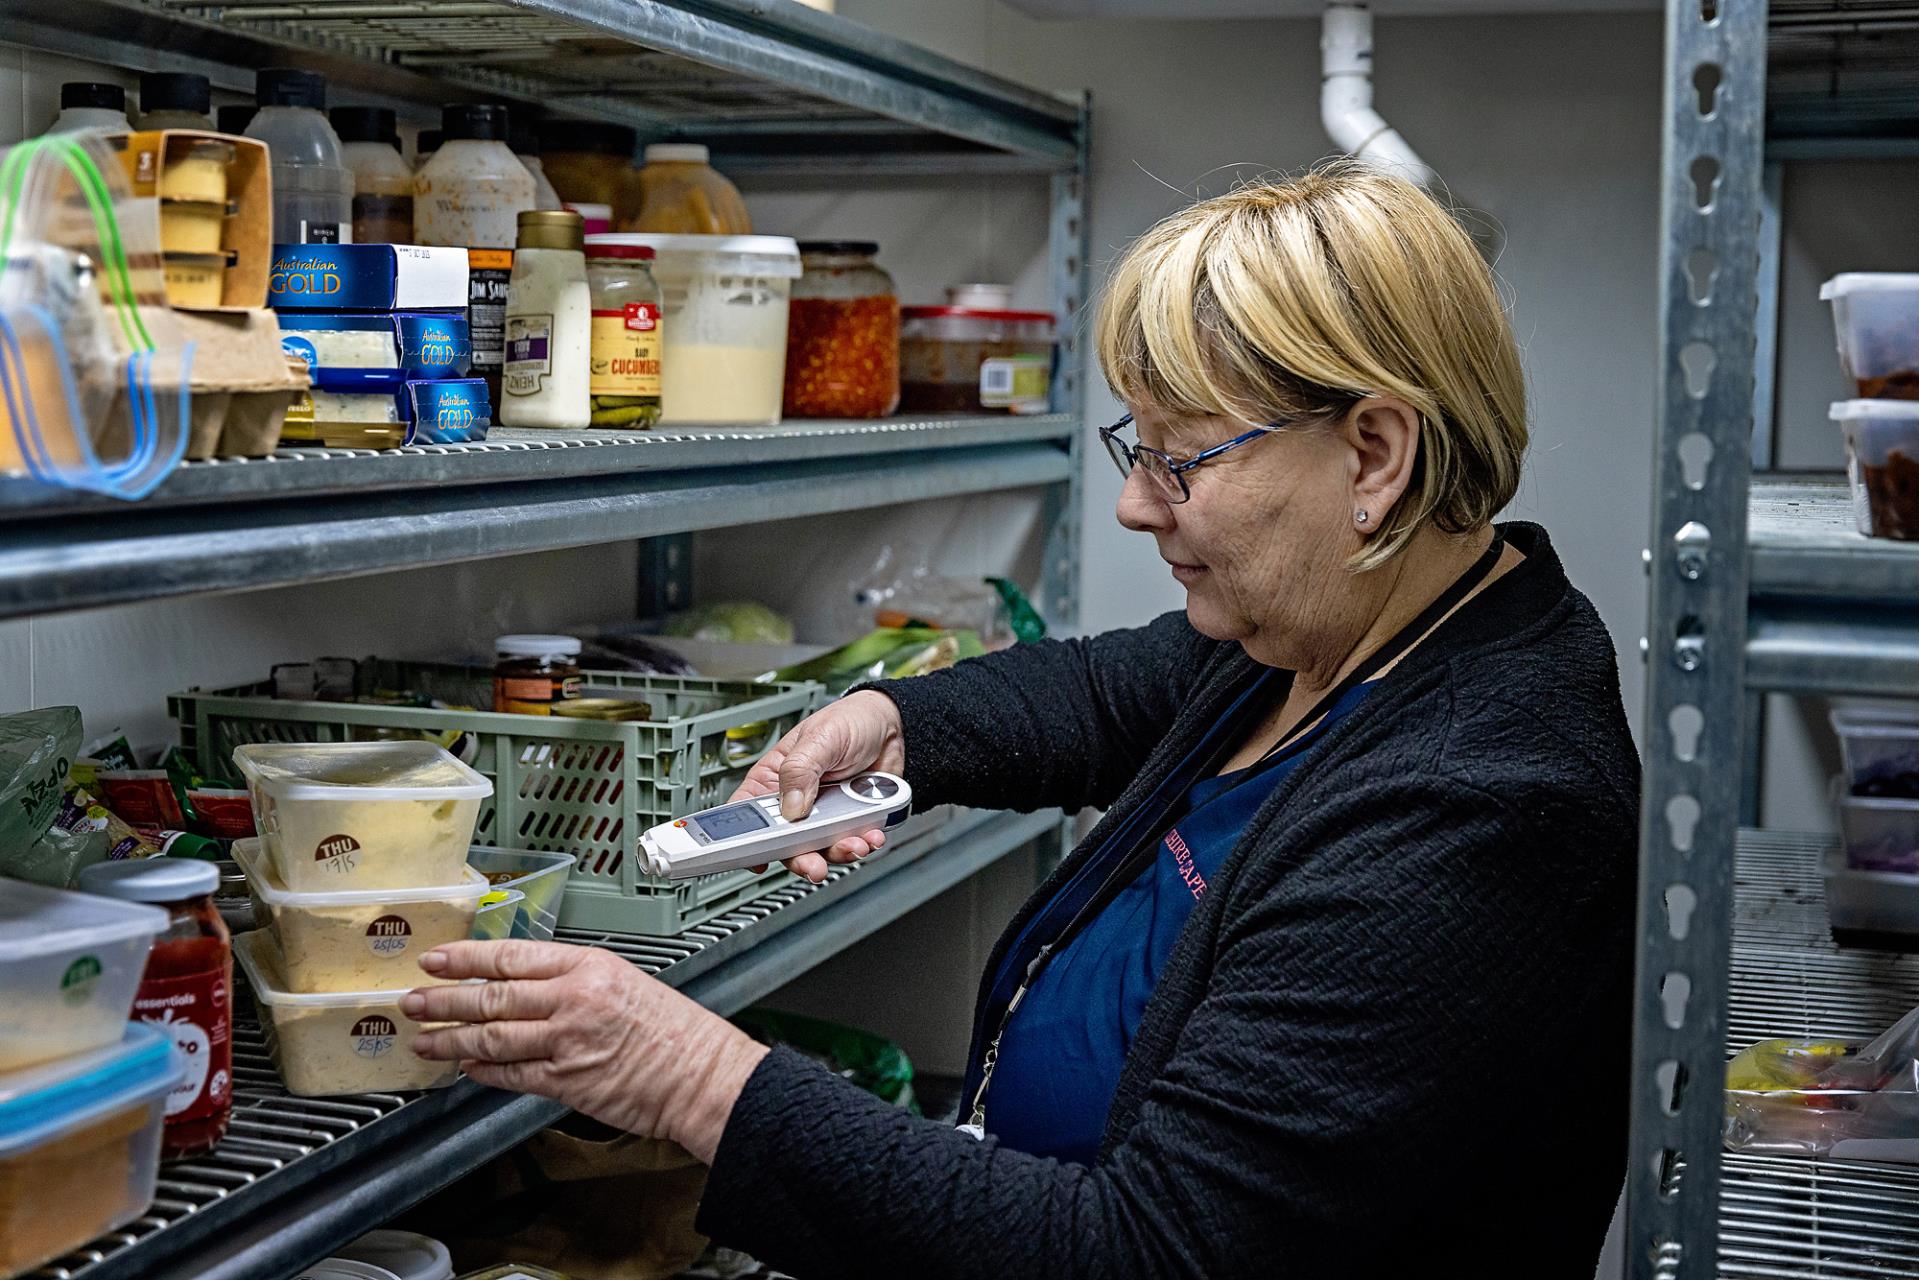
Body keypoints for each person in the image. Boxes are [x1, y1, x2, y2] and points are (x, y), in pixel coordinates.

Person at [407, 163, 1640, 1275]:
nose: (1130, 505)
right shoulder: (1331, 634)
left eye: (1179, 459)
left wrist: (691, 1074)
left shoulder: (1480, 804)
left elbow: (1151, 1250)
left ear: (1373, 455)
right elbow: (1100, 691)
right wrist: (891, 721)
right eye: (1133, 445)